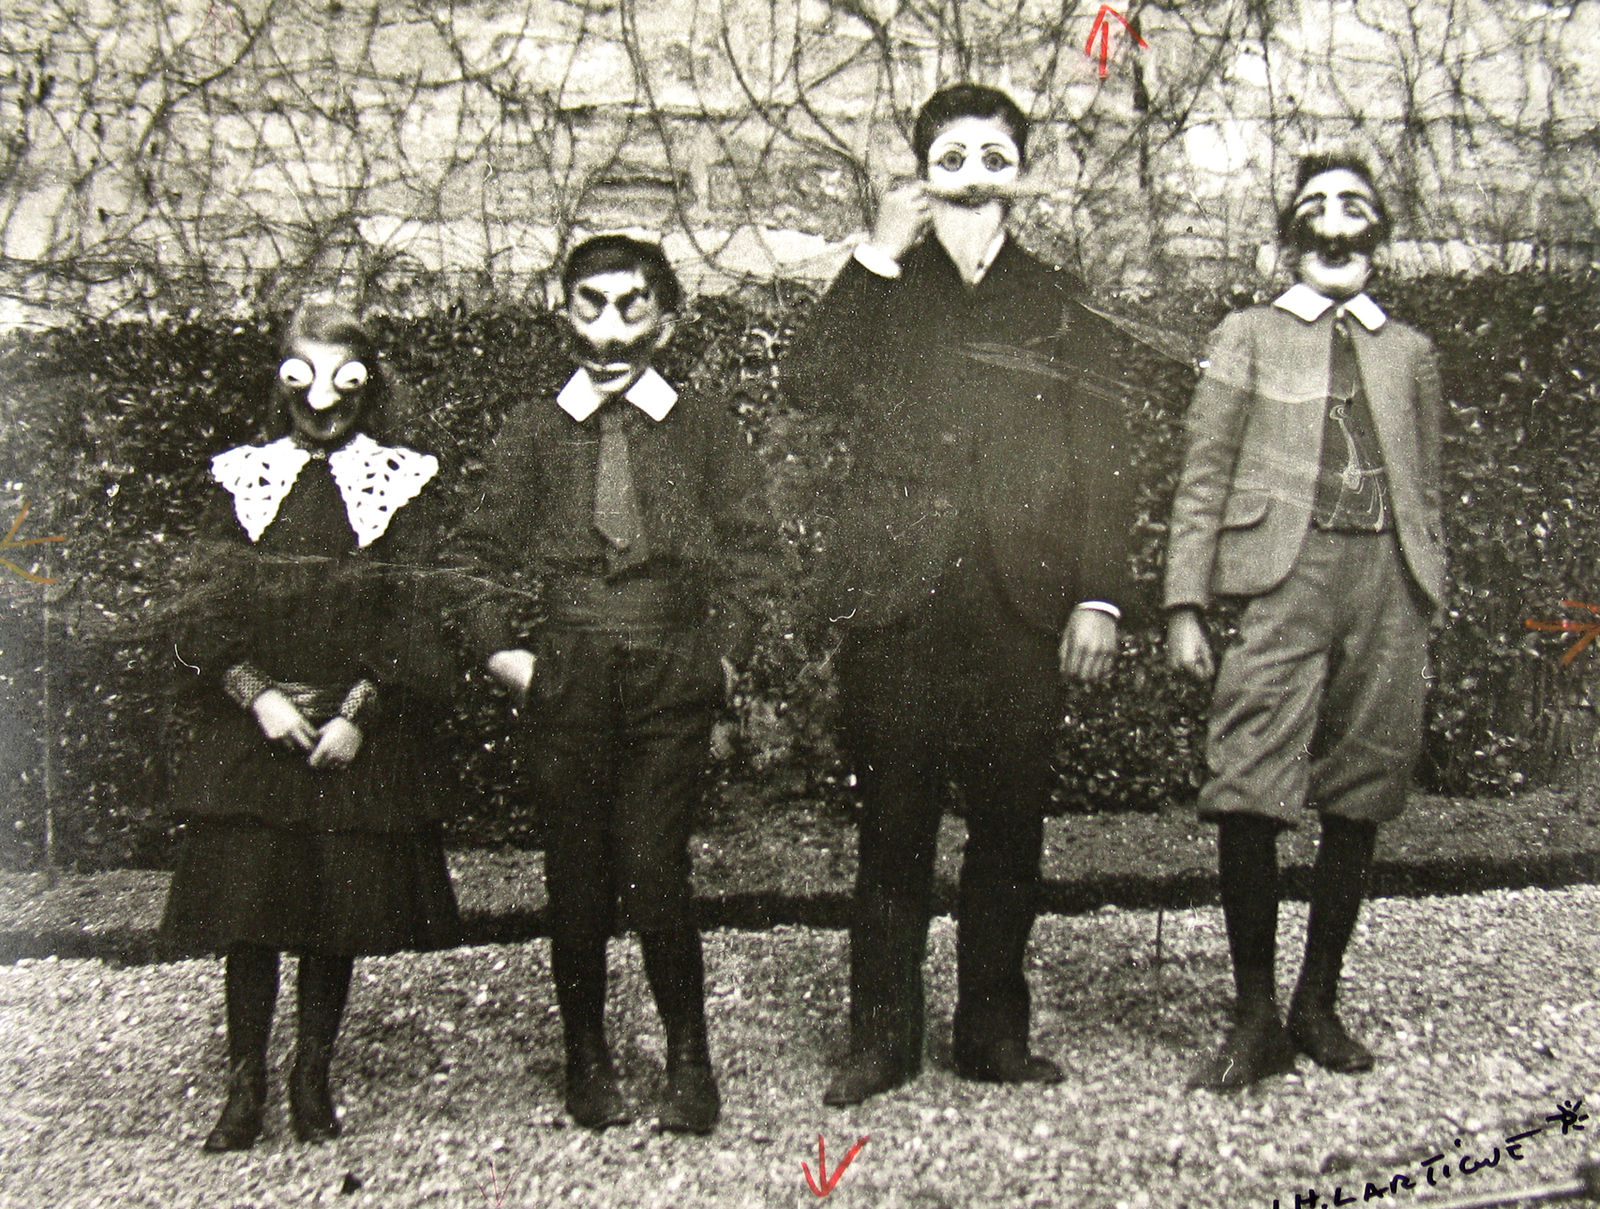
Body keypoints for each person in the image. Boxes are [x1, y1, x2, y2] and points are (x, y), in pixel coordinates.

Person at [783, 83, 1137, 1107]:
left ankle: (991, 1036)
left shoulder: (1064, 301)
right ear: (923, 170)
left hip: (1022, 606)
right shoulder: (885, 286)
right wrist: (873, 251)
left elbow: (1105, 463)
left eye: (993, 154)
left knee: (1008, 830)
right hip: (900, 601)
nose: (974, 173)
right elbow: (807, 386)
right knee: (893, 827)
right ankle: (879, 1044)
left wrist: (1099, 599)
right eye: (952, 155)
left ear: (1018, 173)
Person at [456, 235, 775, 1134]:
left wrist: (722, 659)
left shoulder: (704, 427)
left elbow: (755, 558)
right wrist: (505, 657)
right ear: (563, 315)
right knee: (577, 875)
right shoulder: (531, 432)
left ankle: (688, 1057)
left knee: (652, 863)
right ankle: (586, 1056)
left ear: (665, 320)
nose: (609, 328)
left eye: (632, 305)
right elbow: (474, 557)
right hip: (566, 674)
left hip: (669, 669)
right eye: (590, 305)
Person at [1164, 154, 1445, 1089]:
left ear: (1379, 234)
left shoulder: (1408, 350)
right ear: (1290, 239)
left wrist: (1425, 585)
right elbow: (1203, 473)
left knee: (1363, 783)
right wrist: (1185, 602)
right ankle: (1254, 1015)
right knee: (1249, 777)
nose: (1336, 224)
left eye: (1355, 208)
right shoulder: (1245, 333)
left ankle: (1317, 1000)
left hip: (1387, 580)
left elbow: (1428, 484)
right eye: (1316, 210)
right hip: (1279, 577)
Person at [162, 304, 462, 1150]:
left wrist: (363, 711)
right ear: (280, 378)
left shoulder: (401, 482)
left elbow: (419, 605)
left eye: (343, 379)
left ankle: (311, 1074)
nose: (321, 401)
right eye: (303, 375)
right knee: (252, 913)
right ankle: (244, 1082)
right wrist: (255, 692)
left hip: (349, 732)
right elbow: (200, 605)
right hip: (258, 731)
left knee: (334, 911)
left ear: (367, 387)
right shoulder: (240, 479)